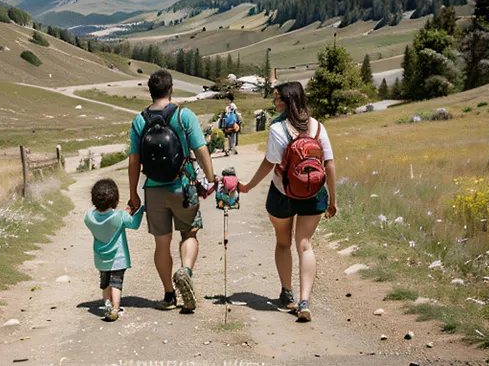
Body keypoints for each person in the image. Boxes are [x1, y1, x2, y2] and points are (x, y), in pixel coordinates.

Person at [238, 82, 337, 323]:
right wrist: (333, 200)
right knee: (305, 244)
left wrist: (249, 186)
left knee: (283, 242)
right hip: (314, 194)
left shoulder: (278, 129)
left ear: (286, 100)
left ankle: (287, 293)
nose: (274, 102)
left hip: (283, 193)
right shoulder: (317, 127)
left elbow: (270, 163)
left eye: (276, 98)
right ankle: (305, 301)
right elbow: (329, 165)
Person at [128, 70, 218, 313]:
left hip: (153, 189)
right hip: (184, 186)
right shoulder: (183, 115)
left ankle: (169, 294)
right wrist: (211, 179)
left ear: (150, 91)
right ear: (170, 89)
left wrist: (133, 194)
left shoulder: (139, 120)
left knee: (161, 244)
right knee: (189, 234)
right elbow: (201, 150)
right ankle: (185, 271)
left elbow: (134, 161)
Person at [84, 178, 144, 322]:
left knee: (105, 285)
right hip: (118, 259)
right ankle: (115, 308)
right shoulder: (120, 216)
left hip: (101, 259)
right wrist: (140, 210)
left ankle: (107, 305)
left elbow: (101, 215)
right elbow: (134, 224)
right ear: (115, 199)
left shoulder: (89, 217)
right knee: (116, 284)